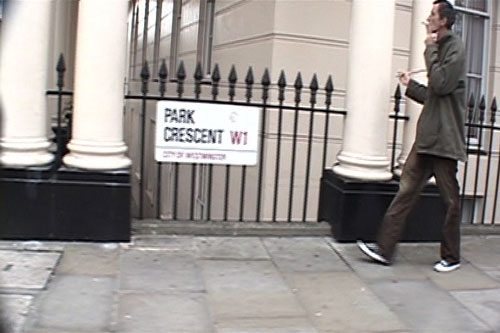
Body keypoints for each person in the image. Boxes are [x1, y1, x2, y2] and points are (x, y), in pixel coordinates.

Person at [357, 0, 466, 273]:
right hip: (428, 138)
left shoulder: (454, 48)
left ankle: (451, 256)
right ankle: (384, 248)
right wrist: (410, 85)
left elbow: (441, 86)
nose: (427, 19)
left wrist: (429, 49)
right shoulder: (441, 50)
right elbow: (433, 96)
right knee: (405, 192)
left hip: (444, 140)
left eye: (431, 15)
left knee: (450, 201)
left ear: (443, 21)